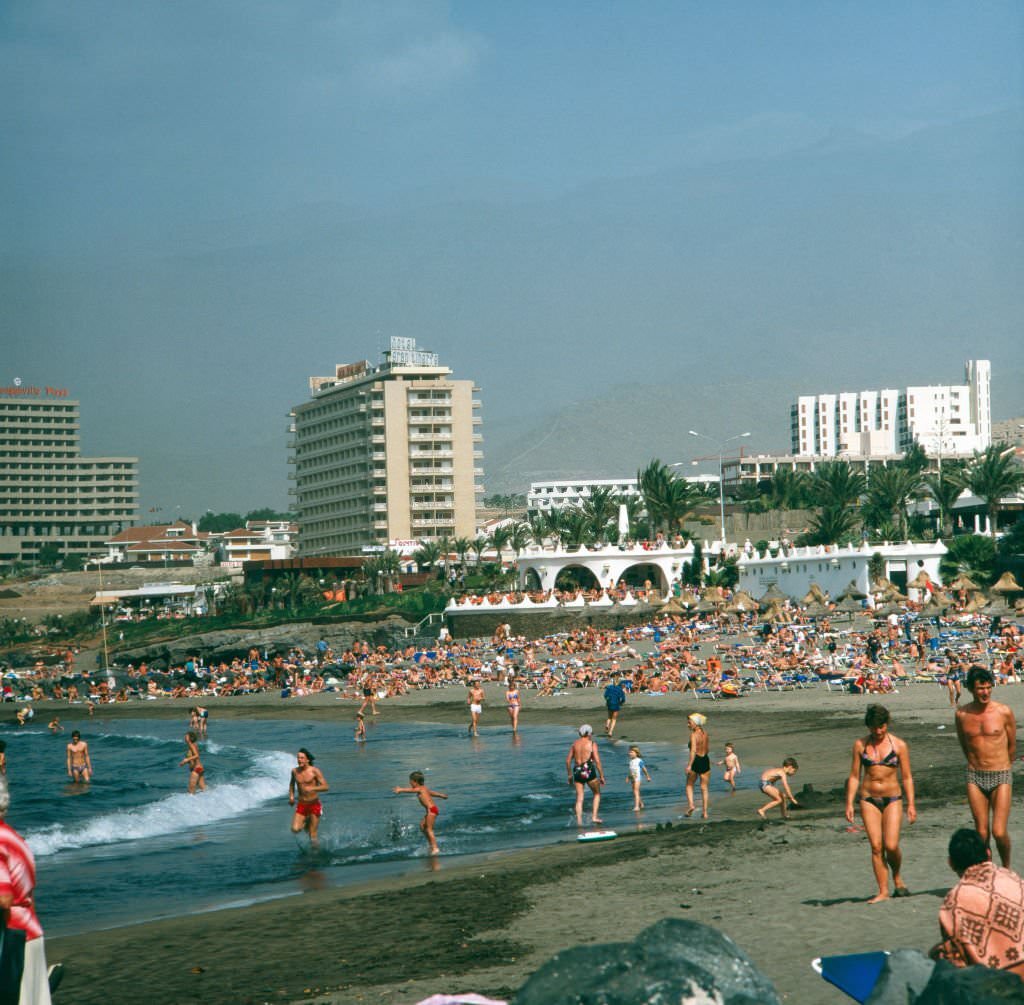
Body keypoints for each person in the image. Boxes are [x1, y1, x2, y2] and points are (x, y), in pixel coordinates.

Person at [845, 704, 916, 903]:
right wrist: (849, 803)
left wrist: (911, 804)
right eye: (874, 728)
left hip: (893, 798)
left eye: (881, 727)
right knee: (876, 847)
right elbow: (854, 776)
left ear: (887, 724)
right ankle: (883, 890)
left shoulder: (899, 745)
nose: (878, 731)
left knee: (891, 845)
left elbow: (908, 777)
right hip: (868, 799)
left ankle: (897, 877)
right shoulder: (860, 745)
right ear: (868, 726)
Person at [930, 827, 1024, 979]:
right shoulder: (1014, 879)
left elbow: (957, 957)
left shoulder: (954, 901)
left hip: (996, 984)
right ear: (988, 854)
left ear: (951, 863)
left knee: (937, 955)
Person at [0, 776, 54, 1005]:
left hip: (12, 941)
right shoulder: (15, 838)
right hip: (30, 932)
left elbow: (4, 898)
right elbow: (30, 897)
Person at [956, 665, 1016, 867]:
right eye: (981, 688)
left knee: (999, 831)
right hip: (975, 776)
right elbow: (965, 746)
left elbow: (1012, 746)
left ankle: (1006, 868)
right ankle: (986, 869)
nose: (985, 692)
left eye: (988, 687)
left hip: (1001, 774)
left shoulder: (1003, 712)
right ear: (971, 689)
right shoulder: (962, 715)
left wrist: (1002, 765)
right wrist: (976, 764)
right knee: (981, 832)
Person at [393, 770, 448, 855]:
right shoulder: (424, 788)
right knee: (422, 826)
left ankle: (435, 848)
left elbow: (411, 790)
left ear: (415, 782)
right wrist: (441, 795)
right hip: (432, 810)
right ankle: (431, 845)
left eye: (410, 781)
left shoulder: (419, 788)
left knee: (429, 829)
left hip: (431, 811)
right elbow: (431, 793)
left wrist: (401, 789)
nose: (410, 783)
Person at [288, 748, 329, 846]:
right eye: (298, 758)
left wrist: (313, 788)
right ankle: (306, 822)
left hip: (314, 804)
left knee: (312, 835)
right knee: (295, 829)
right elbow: (291, 785)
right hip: (302, 805)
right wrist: (291, 797)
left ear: (307, 760)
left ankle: (316, 853)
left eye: (302, 758)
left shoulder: (315, 771)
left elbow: (326, 787)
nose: (299, 760)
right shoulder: (294, 771)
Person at [566, 724, 605, 826]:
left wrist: (570, 775)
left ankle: (579, 822)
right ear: (588, 733)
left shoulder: (575, 744)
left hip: (577, 771)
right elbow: (597, 761)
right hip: (588, 770)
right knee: (596, 794)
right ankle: (594, 817)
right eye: (591, 733)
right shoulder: (592, 744)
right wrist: (602, 776)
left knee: (579, 798)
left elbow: (568, 761)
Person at [685, 713, 710, 819]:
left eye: (689, 722)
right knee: (704, 788)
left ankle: (691, 805)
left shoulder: (693, 735)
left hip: (696, 760)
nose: (688, 725)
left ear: (695, 723)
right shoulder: (705, 733)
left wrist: (689, 765)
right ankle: (705, 813)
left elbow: (693, 751)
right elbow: (707, 748)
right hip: (705, 759)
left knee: (689, 785)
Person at [627, 745, 653, 811]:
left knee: (636, 791)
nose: (630, 753)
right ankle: (641, 804)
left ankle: (636, 806)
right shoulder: (630, 761)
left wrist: (648, 776)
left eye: (631, 752)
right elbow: (630, 770)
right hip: (633, 777)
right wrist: (628, 777)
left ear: (636, 753)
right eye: (629, 752)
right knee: (635, 792)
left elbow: (644, 769)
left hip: (638, 778)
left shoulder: (639, 761)